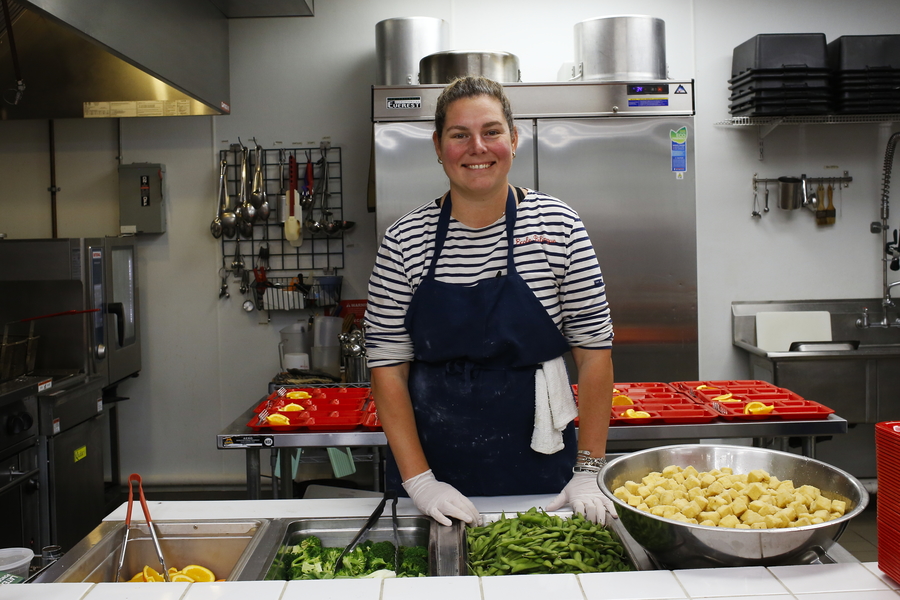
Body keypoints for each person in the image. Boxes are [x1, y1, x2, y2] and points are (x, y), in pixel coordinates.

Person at [364, 76, 615, 527]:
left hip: (542, 462)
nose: (477, 147)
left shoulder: (559, 226)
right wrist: (420, 481)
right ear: (438, 146)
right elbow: (387, 366)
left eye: (492, 131)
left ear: (513, 140)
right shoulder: (404, 239)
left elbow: (594, 353)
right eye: (460, 135)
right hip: (431, 463)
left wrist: (589, 471)